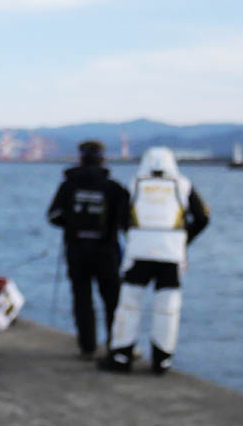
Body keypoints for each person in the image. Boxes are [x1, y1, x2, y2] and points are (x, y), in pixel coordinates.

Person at [98, 146, 210, 375]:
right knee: (167, 309)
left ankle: (121, 356)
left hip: (138, 255)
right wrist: (182, 238)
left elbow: (119, 217)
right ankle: (162, 360)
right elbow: (203, 217)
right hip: (171, 256)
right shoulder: (183, 185)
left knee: (129, 305)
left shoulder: (134, 184)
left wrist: (134, 235)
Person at [47, 140, 130, 359]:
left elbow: (53, 216)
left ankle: (87, 346)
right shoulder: (114, 188)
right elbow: (126, 221)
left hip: (76, 249)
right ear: (103, 159)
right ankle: (116, 346)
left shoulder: (68, 186)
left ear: (81, 158)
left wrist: (72, 224)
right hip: (106, 251)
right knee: (112, 299)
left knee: (82, 298)